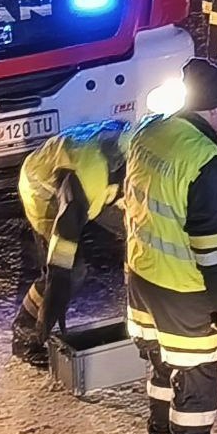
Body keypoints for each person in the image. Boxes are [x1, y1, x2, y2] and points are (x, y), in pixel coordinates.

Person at [124, 59, 217, 434]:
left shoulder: (150, 131)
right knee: (196, 385)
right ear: (214, 108)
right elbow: (212, 249)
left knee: (161, 367)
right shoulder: (206, 163)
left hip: (142, 278)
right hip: (184, 292)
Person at [11, 117, 130, 363]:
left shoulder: (135, 153)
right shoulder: (85, 179)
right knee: (72, 270)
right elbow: (60, 266)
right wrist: (50, 314)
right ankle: (26, 334)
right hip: (42, 189)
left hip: (96, 181)